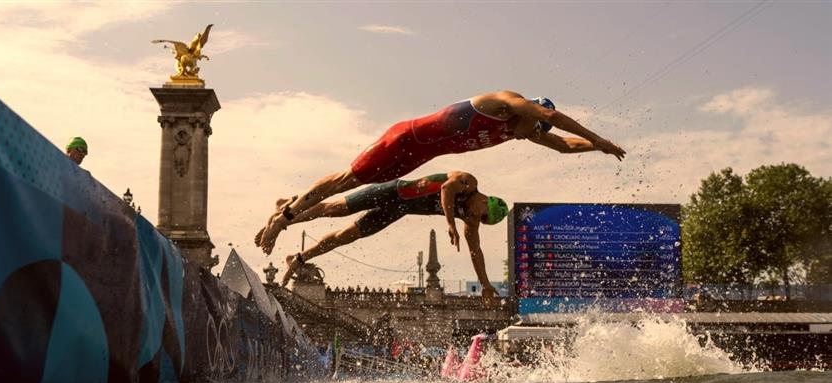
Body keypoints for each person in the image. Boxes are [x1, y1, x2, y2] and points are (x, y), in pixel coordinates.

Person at [256, 91, 626, 254]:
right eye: (530, 128)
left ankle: (288, 210)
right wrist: (597, 134)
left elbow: (562, 145)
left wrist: (600, 147)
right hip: (405, 138)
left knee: (353, 189)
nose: (528, 137)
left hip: (416, 159)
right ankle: (283, 218)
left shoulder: (523, 128)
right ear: (526, 114)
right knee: (347, 180)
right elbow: (550, 118)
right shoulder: (502, 103)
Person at [279, 170, 507, 306]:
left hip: (397, 210)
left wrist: (486, 285)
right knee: (336, 209)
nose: (477, 219)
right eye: (482, 216)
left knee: (347, 236)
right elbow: (446, 188)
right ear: (485, 201)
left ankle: (298, 258)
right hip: (393, 191)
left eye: (483, 222)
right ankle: (291, 210)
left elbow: (476, 252)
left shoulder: (470, 221)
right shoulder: (468, 182)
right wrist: (449, 222)